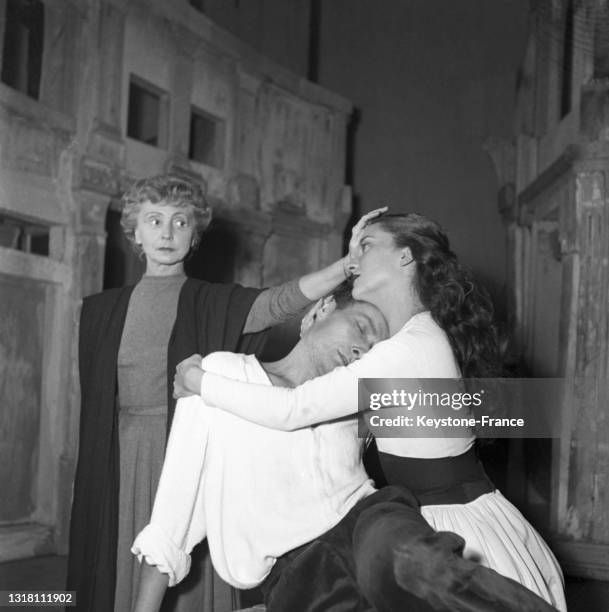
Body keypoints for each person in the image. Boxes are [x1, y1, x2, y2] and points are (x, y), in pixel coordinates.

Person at [175, 212, 567, 611]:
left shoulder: (412, 347)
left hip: (449, 529)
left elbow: (294, 408)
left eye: (367, 247)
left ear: (404, 258)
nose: (355, 261)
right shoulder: (401, 342)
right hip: (415, 524)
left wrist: (198, 381)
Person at [66, 174, 371, 612]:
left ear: (195, 236)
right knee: (119, 567)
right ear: (134, 231)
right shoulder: (99, 311)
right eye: (154, 221)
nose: (167, 233)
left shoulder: (210, 301)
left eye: (180, 222)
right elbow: (92, 406)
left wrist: (346, 266)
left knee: (183, 561)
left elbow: (279, 302)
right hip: (118, 458)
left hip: (189, 448)